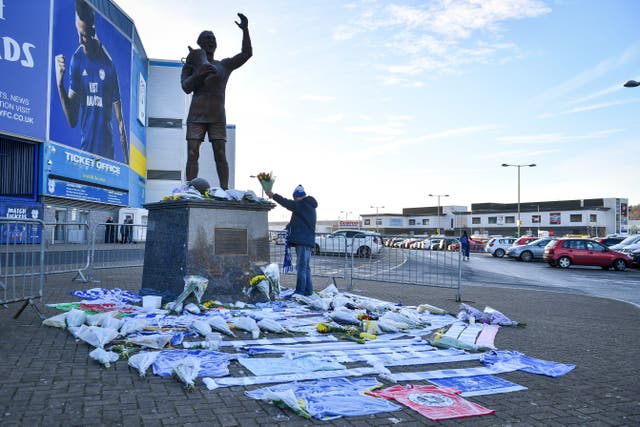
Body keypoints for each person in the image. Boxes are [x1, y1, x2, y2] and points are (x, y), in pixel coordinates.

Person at [181, 13, 252, 189]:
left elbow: (246, 54)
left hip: (217, 116)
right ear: (200, 43)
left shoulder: (224, 65)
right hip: (196, 114)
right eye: (207, 38)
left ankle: (225, 190)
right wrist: (199, 72)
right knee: (192, 153)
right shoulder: (192, 63)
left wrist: (245, 30)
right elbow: (186, 87)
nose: (211, 40)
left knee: (220, 154)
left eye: (213, 38)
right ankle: (189, 189)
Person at [54, 0, 129, 164]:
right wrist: (60, 84)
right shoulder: (77, 59)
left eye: (85, 36)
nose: (81, 41)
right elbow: (72, 120)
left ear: (93, 30)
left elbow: (120, 122)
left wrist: (127, 167)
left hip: (107, 158)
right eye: (79, 34)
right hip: (85, 154)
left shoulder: (109, 65)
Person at [266, 185, 318, 296]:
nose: (294, 200)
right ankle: (308, 291)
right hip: (306, 241)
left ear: (298, 197)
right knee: (305, 268)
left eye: (295, 198)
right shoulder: (308, 205)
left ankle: (300, 291)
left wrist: (273, 195)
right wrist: (289, 226)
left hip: (303, 242)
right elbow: (300, 221)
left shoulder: (303, 204)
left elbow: (287, 203)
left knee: (301, 268)